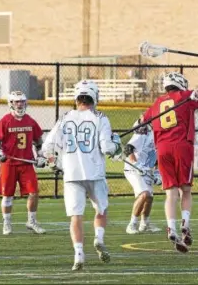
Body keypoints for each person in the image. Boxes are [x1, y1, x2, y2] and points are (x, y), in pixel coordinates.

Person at [142, 52, 198, 253]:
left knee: (170, 194)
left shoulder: (156, 104)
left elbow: (141, 125)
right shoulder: (186, 96)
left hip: (162, 149)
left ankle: (171, 226)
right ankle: (185, 224)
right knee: (185, 190)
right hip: (182, 146)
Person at [42, 80, 122, 271]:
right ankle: (98, 238)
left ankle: (79, 254)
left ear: (77, 97)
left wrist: (51, 160)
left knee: (76, 216)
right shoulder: (101, 117)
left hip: (71, 172)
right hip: (94, 171)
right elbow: (107, 147)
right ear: (95, 96)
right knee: (101, 210)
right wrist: (117, 144)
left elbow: (48, 146)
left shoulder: (65, 117)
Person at [0, 91, 46, 235]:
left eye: (22, 101)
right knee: (7, 196)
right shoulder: (6, 120)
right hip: (8, 163)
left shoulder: (30, 120)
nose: (19, 104)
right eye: (16, 102)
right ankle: (7, 223)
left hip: (26, 164)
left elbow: (39, 141)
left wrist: (40, 155)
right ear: (11, 103)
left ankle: (31, 221)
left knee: (34, 193)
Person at [124, 118, 162, 234]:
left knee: (149, 197)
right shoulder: (144, 133)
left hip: (146, 169)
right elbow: (127, 149)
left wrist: (157, 173)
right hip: (133, 169)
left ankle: (145, 224)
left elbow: (157, 157)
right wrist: (136, 165)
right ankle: (132, 224)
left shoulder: (161, 137)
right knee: (144, 194)